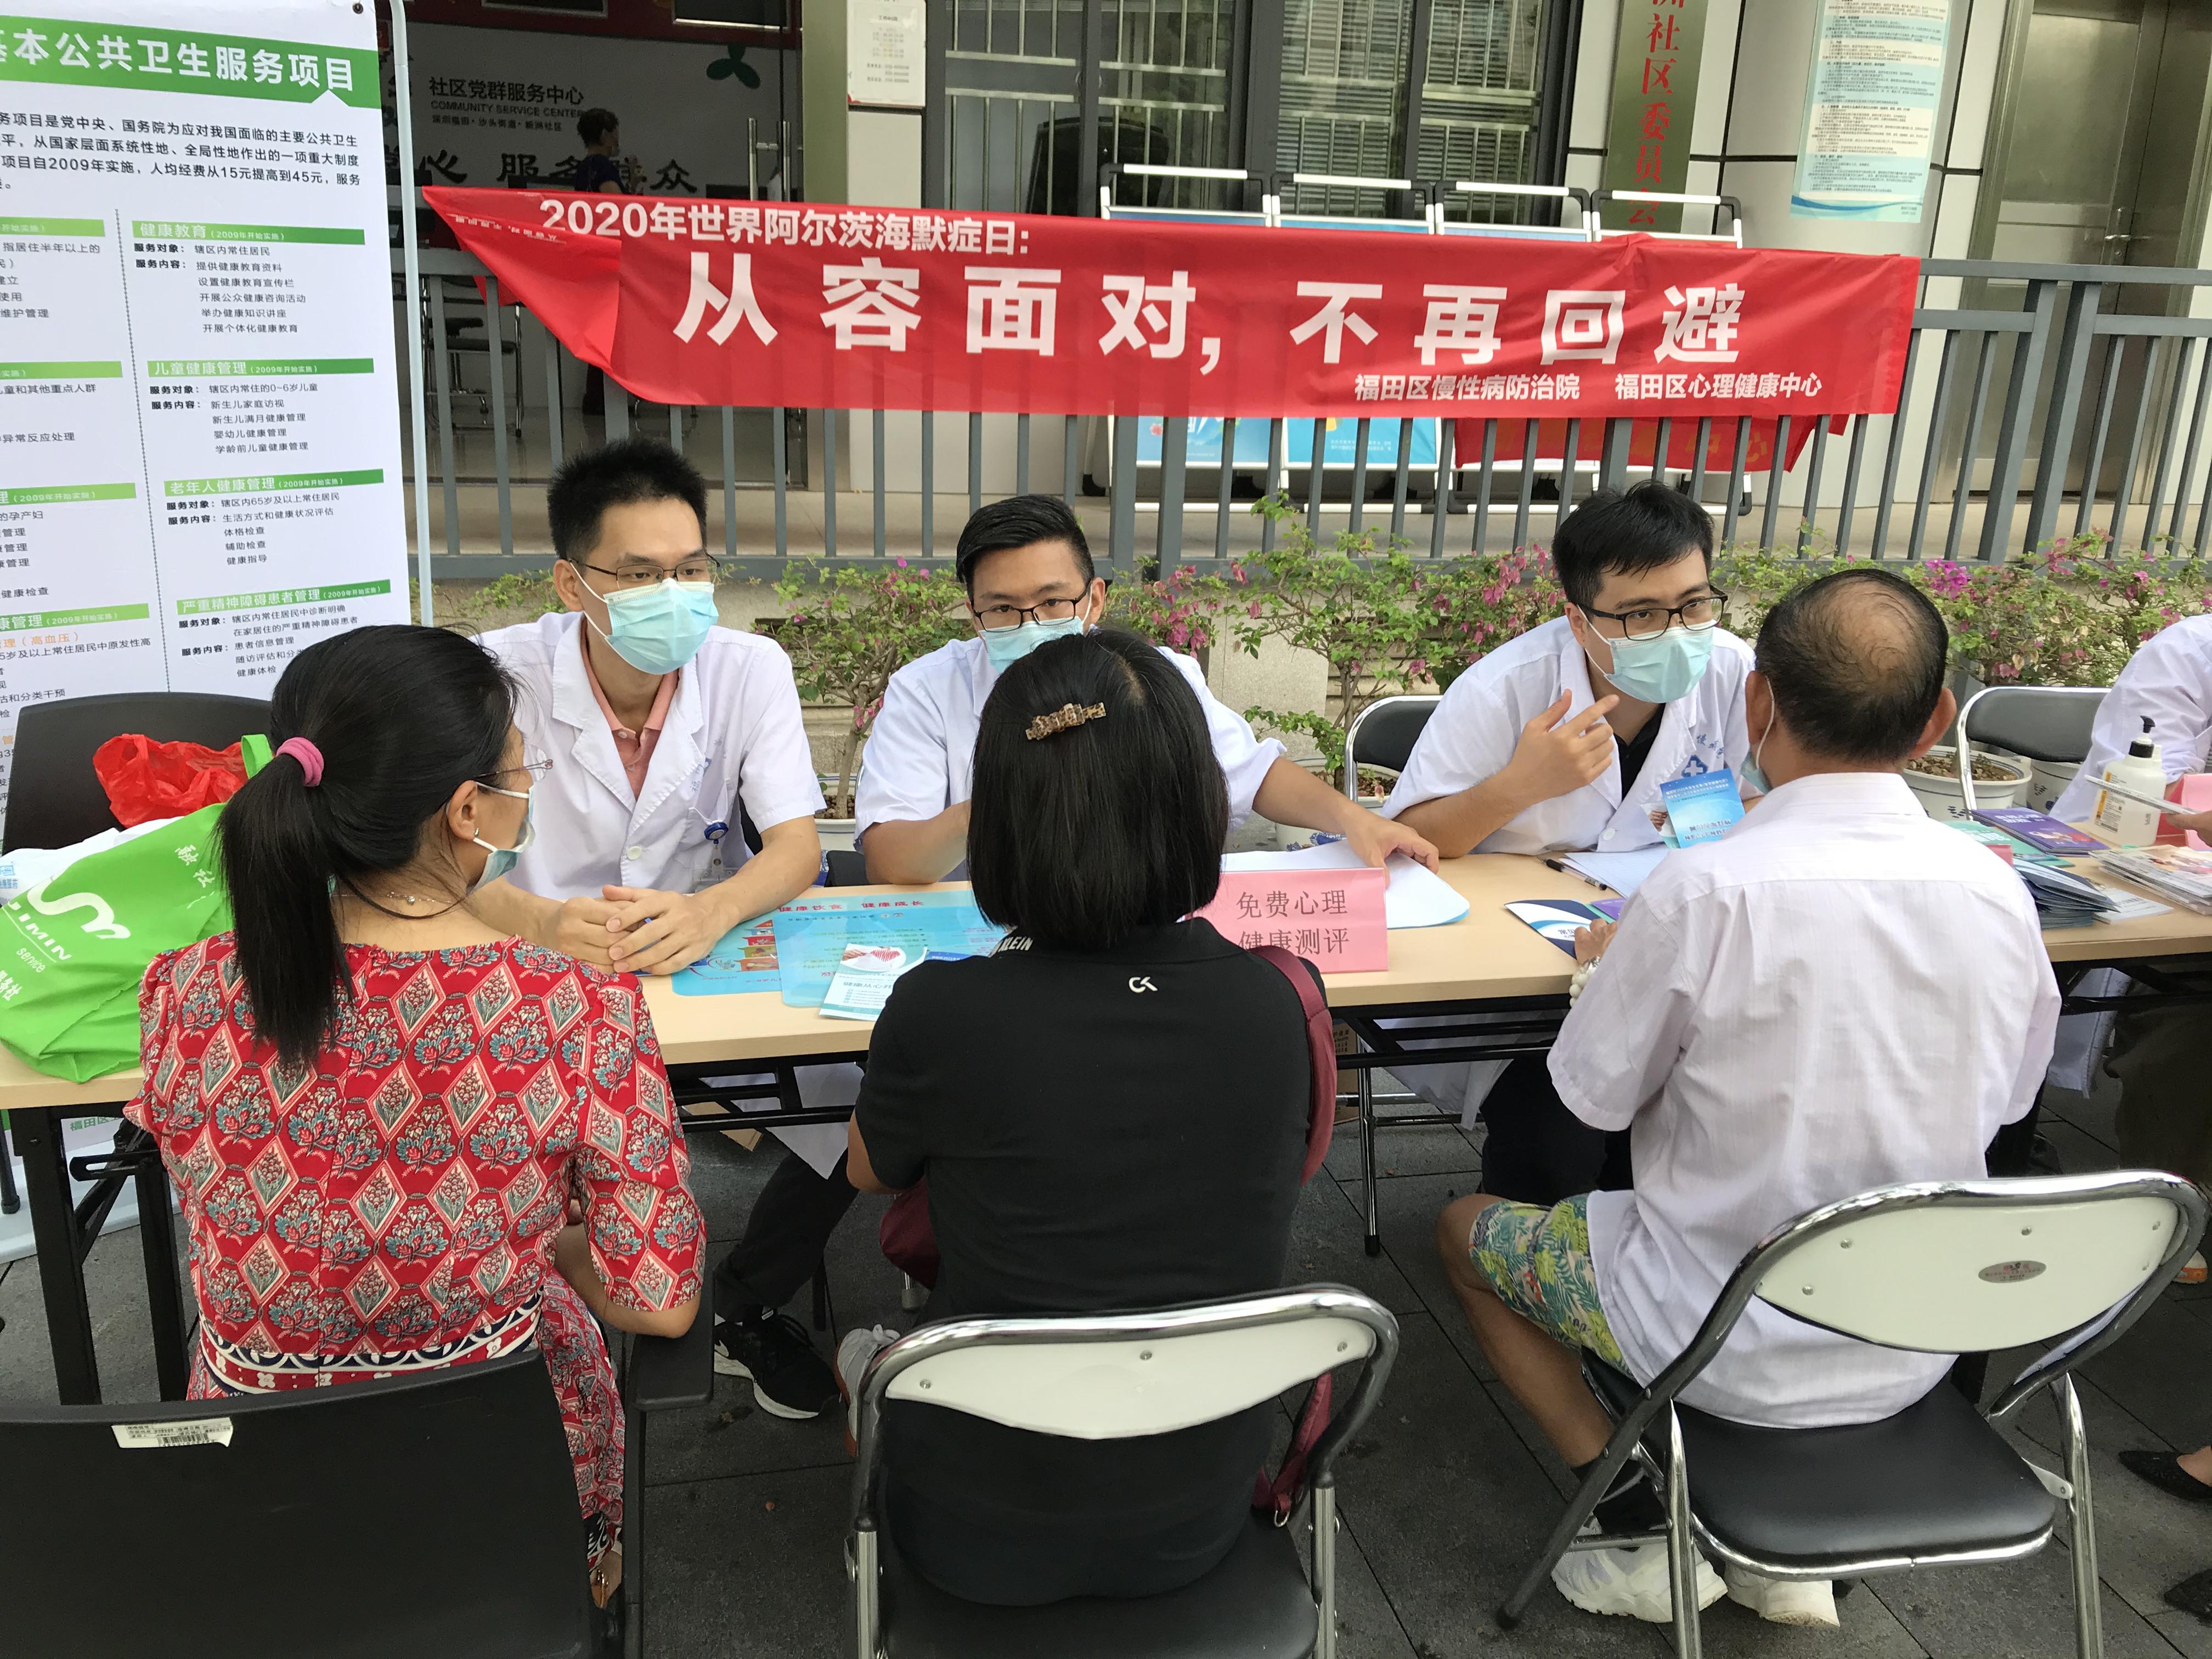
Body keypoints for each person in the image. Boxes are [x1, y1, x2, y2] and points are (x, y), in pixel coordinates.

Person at [1436, 568, 2059, 1631]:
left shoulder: (1705, 890)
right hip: (1917, 1337)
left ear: (1757, 702)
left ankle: (1632, 1515)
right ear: (1936, 722)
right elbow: (2006, 1103)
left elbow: (1590, 1100)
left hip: (1707, 1333)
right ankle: (1774, 1545)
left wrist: (1605, 976)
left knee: (1461, 1230)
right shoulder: (1998, 891)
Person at [125, 625, 702, 1606]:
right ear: (469, 809)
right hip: (500, 1491)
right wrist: (549, 1238)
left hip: (254, 1495)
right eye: (519, 774)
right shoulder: (574, 1009)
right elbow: (659, 1299)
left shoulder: (184, 990)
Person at [839, 627, 1316, 1605]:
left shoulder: (942, 1009)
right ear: (1194, 804)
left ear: (1001, 820)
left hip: (970, 1539)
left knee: (860, 1353)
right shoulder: (1275, 1001)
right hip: (1197, 1523)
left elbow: (867, 1171)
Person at [470, 438, 837, 1421]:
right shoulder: (496, 676)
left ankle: (745, 1298)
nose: (671, 595)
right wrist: (543, 919)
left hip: (695, 961)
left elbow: (797, 847)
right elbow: (441, 857)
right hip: (538, 973)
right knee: (528, 1147)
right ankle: (541, 1303)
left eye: (690, 569)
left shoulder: (748, 667)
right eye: (638, 575)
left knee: (851, 1100)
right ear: (573, 582)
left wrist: (712, 908)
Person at [1380, 481, 1753, 1205]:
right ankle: (1523, 1239)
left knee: (1694, 1124)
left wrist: (1717, 821)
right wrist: (1517, 787)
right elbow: (1410, 842)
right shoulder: (1506, 688)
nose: (1677, 632)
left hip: (1670, 960)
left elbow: (1759, 802)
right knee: (1554, 1148)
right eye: (1642, 615)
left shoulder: (1732, 671)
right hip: (1525, 983)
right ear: (1579, 620)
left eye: (1694, 605)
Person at [855, 492, 1437, 884]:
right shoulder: (927, 691)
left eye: (1053, 602)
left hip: (1135, 934)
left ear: (1095, 600)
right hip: (986, 935)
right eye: (1003, 609)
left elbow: (1252, 773)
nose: (1031, 626)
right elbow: (890, 860)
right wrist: (1005, 797)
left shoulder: (1154, 676)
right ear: (973, 613)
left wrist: (1356, 819)